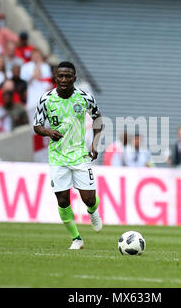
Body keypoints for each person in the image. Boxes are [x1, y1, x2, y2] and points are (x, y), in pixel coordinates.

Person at [33, 61, 103, 250]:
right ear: (55, 77)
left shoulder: (85, 97)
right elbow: (37, 126)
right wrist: (48, 132)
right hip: (57, 157)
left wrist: (94, 144)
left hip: (80, 155)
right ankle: (76, 239)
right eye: (60, 76)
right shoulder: (45, 99)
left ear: (74, 78)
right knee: (63, 200)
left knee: (89, 198)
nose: (64, 80)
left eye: (68, 76)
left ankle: (92, 211)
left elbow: (98, 120)